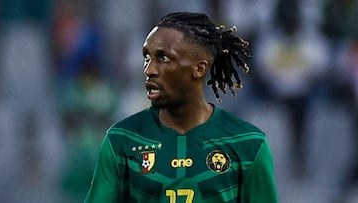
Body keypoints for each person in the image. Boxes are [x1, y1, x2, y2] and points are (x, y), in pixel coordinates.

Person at [84, 12, 278, 203]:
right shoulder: (121, 140)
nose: (149, 70)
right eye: (147, 57)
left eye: (163, 58)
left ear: (199, 68)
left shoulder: (248, 144)